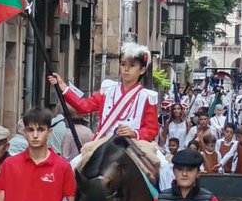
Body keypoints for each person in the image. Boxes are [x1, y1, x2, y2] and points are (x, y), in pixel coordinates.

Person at [48, 42, 172, 189]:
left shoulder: (147, 97)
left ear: (142, 69)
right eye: (123, 64)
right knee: (73, 166)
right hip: (105, 140)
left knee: (164, 168)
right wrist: (63, 86)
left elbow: (151, 129)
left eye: (132, 65)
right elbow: (83, 106)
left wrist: (134, 132)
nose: (126, 69)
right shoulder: (107, 90)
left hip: (136, 143)